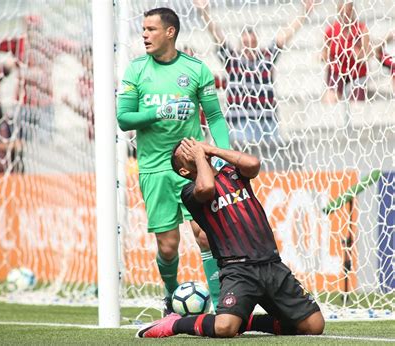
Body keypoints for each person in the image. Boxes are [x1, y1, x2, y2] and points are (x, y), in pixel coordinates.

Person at [137, 138, 325, 338]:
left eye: (194, 145)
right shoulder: (190, 192)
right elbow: (207, 187)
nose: (193, 149)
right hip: (238, 269)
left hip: (272, 264)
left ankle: (248, 321)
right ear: (184, 171)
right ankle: (177, 323)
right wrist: (201, 157)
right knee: (224, 328)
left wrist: (211, 149)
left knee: (314, 326)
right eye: (186, 151)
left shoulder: (232, 172)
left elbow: (253, 164)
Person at [117, 7, 230, 313]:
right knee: (168, 247)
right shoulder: (136, 70)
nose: (144, 35)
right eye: (143, 29)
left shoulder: (196, 69)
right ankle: (170, 297)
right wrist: (160, 112)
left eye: (151, 29)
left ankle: (222, 306)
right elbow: (123, 118)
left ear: (170, 32)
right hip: (154, 169)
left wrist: (224, 155)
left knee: (205, 235)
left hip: (192, 168)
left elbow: (216, 118)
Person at [194, 0, 314, 147]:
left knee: (271, 166)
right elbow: (217, 35)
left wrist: (305, 12)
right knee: (243, 166)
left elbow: (284, 36)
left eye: (252, 43)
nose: (248, 47)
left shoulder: (266, 59)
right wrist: (204, 12)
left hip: (267, 123)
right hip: (240, 124)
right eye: (245, 44)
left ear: (256, 43)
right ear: (240, 44)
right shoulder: (232, 61)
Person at [0, 15, 78, 142]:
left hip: (44, 103)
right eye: (29, 27)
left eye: (36, 28)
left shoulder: (48, 44)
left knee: (45, 142)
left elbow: (73, 47)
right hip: (23, 103)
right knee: (22, 140)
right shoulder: (18, 43)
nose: (33, 30)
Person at [321, 0, 371, 103]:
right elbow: (324, 53)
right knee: (330, 101)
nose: (345, 16)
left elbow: (368, 54)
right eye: (342, 13)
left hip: (357, 73)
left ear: (353, 11)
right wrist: (324, 57)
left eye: (347, 12)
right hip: (337, 72)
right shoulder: (332, 30)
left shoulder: (361, 29)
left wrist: (359, 55)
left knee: (357, 105)